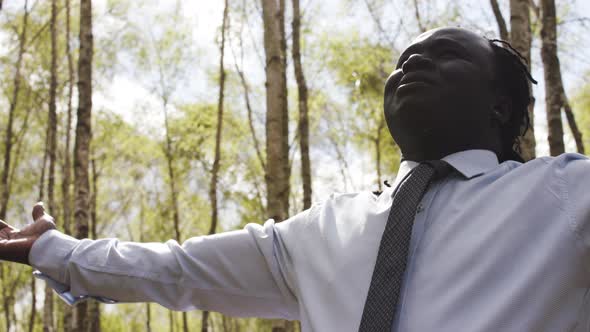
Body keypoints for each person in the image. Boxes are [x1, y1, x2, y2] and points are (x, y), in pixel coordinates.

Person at [1, 26, 589, 331]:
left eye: (444, 57)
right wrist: (56, 250)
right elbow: (176, 267)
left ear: (500, 107)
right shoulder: (322, 230)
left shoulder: (562, 195)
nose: (412, 67)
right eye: (404, 62)